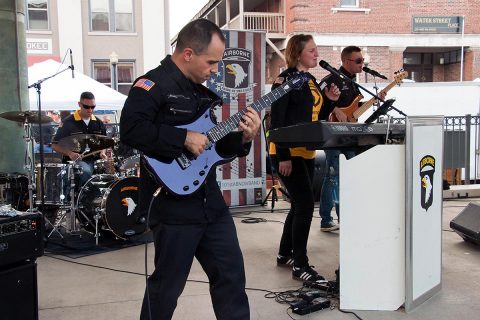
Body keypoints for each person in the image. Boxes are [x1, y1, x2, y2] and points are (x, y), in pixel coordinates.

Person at [119, 19, 260, 320]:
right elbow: (131, 130)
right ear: (187, 54)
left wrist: (244, 139)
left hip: (210, 202)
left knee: (231, 279)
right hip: (172, 208)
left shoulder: (201, 93)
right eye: (211, 62)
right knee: (166, 288)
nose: (215, 70)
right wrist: (182, 137)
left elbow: (212, 149)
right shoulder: (151, 85)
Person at [270, 34, 340, 282]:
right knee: (306, 205)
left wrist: (330, 103)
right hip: (287, 153)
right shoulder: (285, 81)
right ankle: (300, 264)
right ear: (298, 53)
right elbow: (276, 120)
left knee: (300, 205)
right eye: (312, 51)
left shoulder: (310, 80)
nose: (316, 54)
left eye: (316, 50)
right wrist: (283, 156)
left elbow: (315, 116)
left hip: (306, 151)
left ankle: (284, 254)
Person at [318, 46, 386, 231]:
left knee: (348, 176)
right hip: (332, 133)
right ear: (346, 61)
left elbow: (354, 109)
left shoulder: (354, 83)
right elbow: (317, 97)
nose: (362, 64)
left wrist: (375, 100)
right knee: (333, 175)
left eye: (363, 61)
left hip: (349, 134)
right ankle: (326, 219)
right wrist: (334, 109)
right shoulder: (331, 78)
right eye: (358, 61)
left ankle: (345, 217)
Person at [52, 91, 107, 187]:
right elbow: (55, 145)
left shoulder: (99, 123)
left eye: (93, 107)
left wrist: (103, 152)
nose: (90, 110)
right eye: (86, 107)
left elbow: (104, 143)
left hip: (96, 161)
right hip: (76, 162)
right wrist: (70, 153)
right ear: (79, 104)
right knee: (85, 171)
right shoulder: (68, 122)